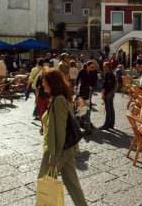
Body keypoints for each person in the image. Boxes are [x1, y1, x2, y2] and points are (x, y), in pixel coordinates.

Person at [38, 69, 87, 206]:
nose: (42, 84)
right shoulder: (58, 98)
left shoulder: (59, 100)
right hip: (66, 149)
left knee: (45, 182)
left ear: (51, 83)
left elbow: (60, 130)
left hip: (58, 150)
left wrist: (54, 156)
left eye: (44, 81)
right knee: (72, 183)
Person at [99, 62, 116, 130]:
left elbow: (105, 85)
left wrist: (103, 93)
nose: (103, 68)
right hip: (111, 92)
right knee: (111, 108)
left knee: (108, 109)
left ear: (107, 67)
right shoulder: (112, 74)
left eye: (104, 66)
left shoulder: (108, 74)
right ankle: (111, 124)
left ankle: (107, 124)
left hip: (108, 93)